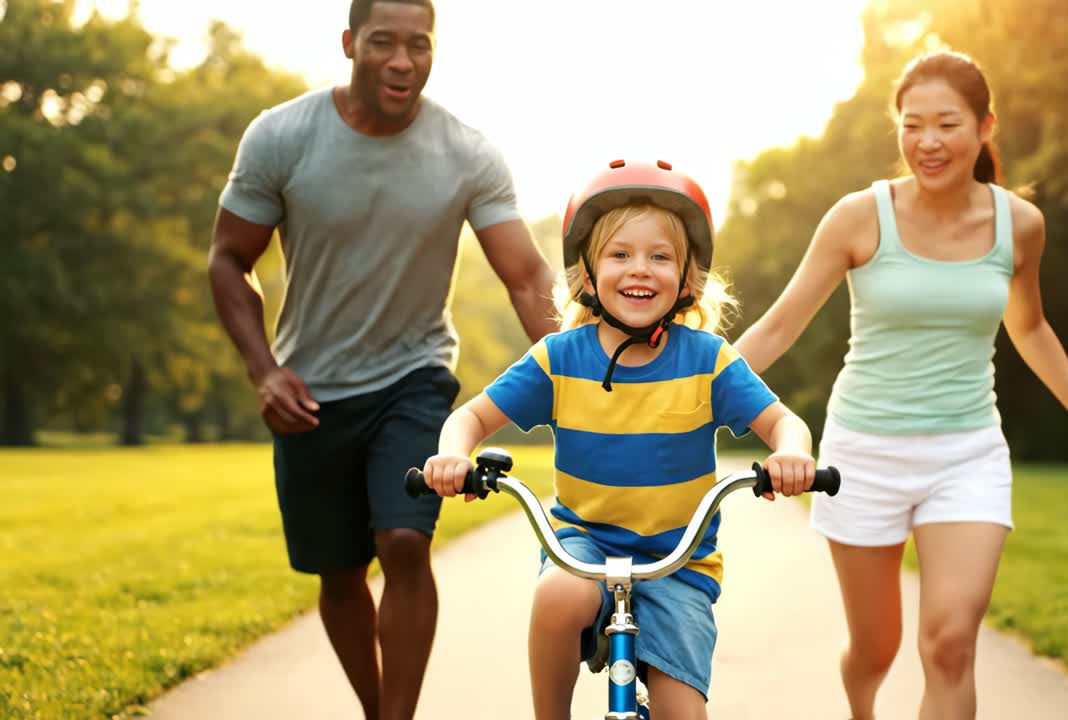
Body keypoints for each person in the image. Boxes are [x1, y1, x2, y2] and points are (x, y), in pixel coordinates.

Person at [733, 51, 1068, 719]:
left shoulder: (1020, 225)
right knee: (875, 647)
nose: (927, 142)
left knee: (950, 644)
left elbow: (1029, 327)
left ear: (985, 127)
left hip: (966, 454)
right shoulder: (860, 216)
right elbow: (780, 327)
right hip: (861, 455)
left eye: (946, 124)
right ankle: (861, 707)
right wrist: (695, 391)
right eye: (911, 124)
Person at [206, 1, 558, 717]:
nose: (403, 61)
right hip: (310, 387)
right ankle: (377, 712)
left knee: (403, 541)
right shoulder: (282, 136)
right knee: (338, 574)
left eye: (419, 45)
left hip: (415, 376)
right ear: (349, 45)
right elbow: (227, 260)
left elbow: (525, 277)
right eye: (384, 43)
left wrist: (577, 376)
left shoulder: (467, 154)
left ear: (434, 52)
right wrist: (264, 370)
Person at [418, 159, 817, 720]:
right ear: (586, 272)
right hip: (583, 543)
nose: (641, 270)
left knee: (685, 713)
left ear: (687, 277)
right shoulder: (560, 357)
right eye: (620, 254)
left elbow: (783, 423)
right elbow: (470, 419)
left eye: (660, 256)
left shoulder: (708, 360)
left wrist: (792, 454)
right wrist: (453, 455)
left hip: (679, 560)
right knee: (560, 595)